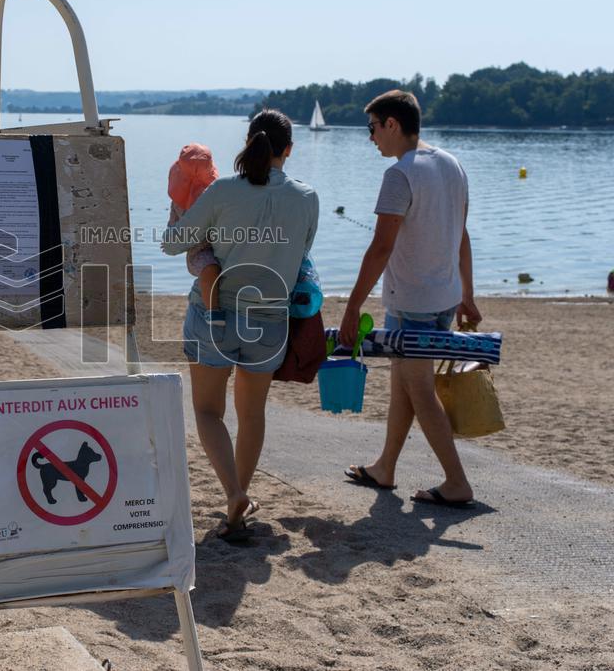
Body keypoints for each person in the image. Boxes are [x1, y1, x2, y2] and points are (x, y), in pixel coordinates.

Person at [163, 110, 319, 541]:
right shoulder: (307, 197)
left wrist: (178, 216)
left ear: (249, 141)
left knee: (208, 411)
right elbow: (302, 252)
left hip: (215, 314)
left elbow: (172, 245)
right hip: (270, 319)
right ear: (288, 150)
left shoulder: (220, 191)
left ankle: (233, 492)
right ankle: (239, 506)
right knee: (252, 415)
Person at [339, 89, 481, 507]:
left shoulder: (399, 174)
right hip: (443, 299)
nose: (371, 139)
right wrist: (467, 294)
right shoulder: (452, 164)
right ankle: (386, 466)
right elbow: (462, 234)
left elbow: (380, 247)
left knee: (418, 390)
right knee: (402, 384)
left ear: (392, 125)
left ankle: (456, 481)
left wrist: (351, 307)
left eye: (373, 128)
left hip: (414, 301)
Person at [166, 143, 223, 324]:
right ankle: (213, 311)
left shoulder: (219, 195)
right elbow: (173, 232)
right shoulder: (178, 202)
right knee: (209, 269)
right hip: (199, 252)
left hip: (223, 245)